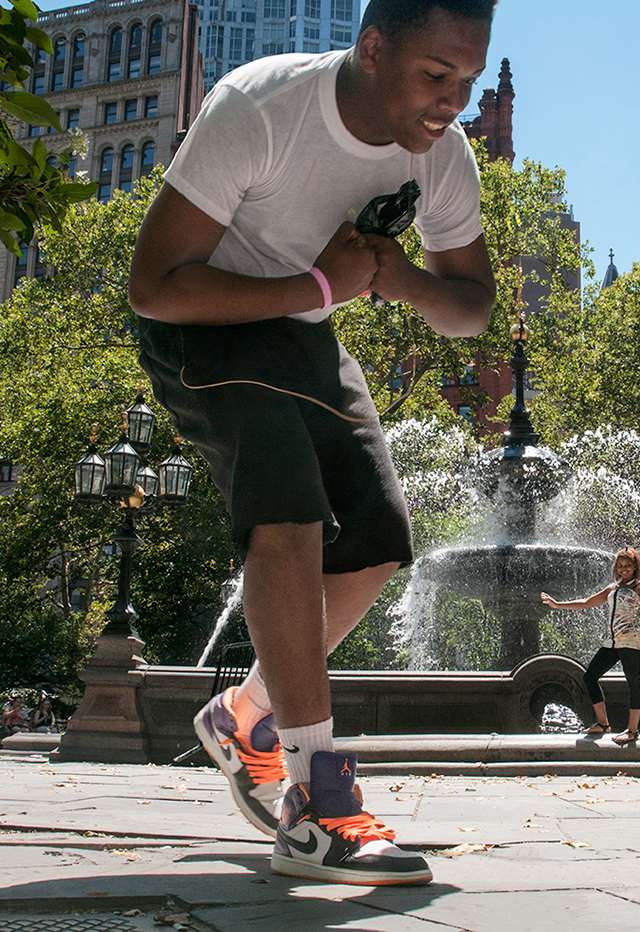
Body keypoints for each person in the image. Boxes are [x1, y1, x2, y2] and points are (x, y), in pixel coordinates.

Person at [128, 0, 497, 886]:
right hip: (206, 323)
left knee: (376, 538)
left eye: (469, 80)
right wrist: (322, 281)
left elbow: (472, 307)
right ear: (373, 49)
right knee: (287, 509)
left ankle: (247, 713)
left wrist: (403, 280)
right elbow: (153, 284)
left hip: (306, 332)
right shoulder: (262, 108)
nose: (451, 101)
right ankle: (316, 798)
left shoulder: (444, 155)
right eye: (434, 75)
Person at [540, 547, 640, 746]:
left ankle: (632, 731)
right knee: (589, 676)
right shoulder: (612, 588)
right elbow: (586, 602)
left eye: (627, 565)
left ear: (635, 567)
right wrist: (558, 604)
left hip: (631, 640)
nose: (623, 569)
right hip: (611, 642)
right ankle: (603, 724)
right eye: (620, 565)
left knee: (633, 682)